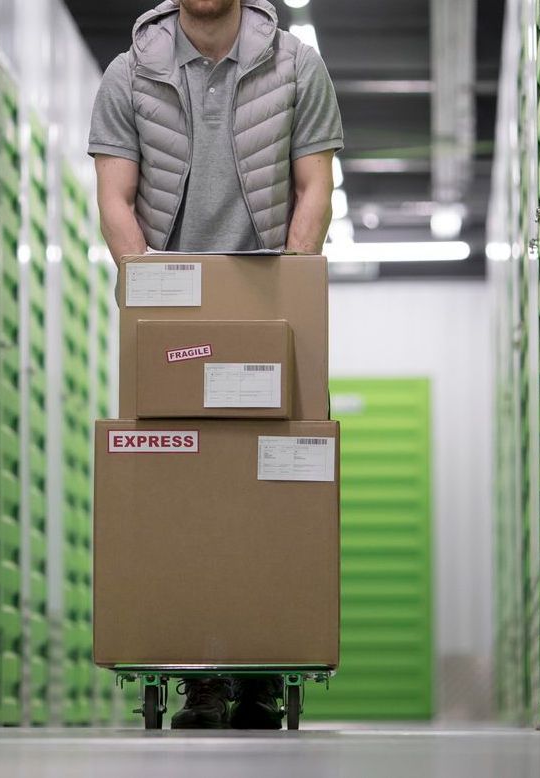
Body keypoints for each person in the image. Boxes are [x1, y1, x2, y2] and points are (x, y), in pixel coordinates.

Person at [88, 0, 343, 728]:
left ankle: (260, 669)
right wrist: (146, 287)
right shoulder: (127, 75)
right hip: (170, 299)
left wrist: (294, 278)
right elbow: (115, 199)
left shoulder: (296, 65)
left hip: (270, 289)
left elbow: (312, 187)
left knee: (273, 482)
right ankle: (200, 671)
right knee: (181, 485)